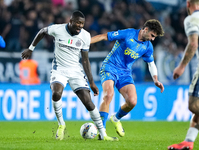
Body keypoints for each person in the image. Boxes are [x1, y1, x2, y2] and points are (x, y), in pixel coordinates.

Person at [21, 10, 118, 141]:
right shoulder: (58, 29)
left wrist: (92, 82)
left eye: (82, 23)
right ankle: (61, 125)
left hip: (76, 71)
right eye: (77, 23)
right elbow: (43, 31)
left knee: (88, 103)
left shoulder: (85, 36)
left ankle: (103, 134)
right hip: (59, 69)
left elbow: (85, 60)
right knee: (56, 93)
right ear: (71, 21)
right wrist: (30, 48)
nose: (80, 26)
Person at [91, 19, 165, 138]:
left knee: (132, 101)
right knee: (108, 95)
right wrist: (86, 43)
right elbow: (105, 36)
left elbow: (151, 64)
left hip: (125, 73)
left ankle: (115, 119)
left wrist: (155, 80)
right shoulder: (128, 33)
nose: (153, 39)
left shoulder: (148, 47)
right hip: (110, 66)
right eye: (152, 35)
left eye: (155, 37)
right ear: (145, 29)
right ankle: (102, 132)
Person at [168, 0, 199, 150]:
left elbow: (193, 44)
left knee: (194, 105)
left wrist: (181, 66)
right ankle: (188, 141)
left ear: (188, 4)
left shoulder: (193, 18)